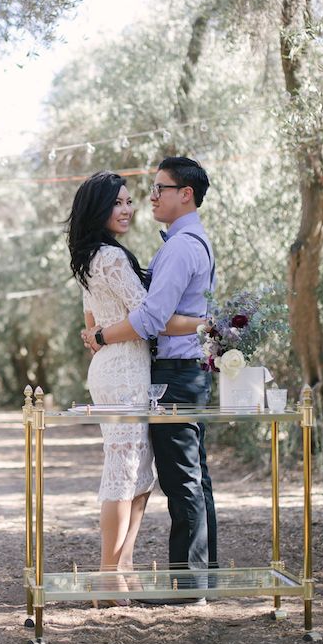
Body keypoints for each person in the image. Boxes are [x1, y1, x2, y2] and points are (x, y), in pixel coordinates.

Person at [82, 157, 218, 599]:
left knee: (179, 478)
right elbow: (146, 316)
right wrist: (206, 323)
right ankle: (139, 573)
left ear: (187, 194)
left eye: (158, 188)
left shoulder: (178, 246)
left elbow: (151, 317)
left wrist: (100, 332)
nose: (148, 199)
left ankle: (186, 583)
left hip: (169, 370)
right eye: (121, 201)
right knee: (164, 475)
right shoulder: (134, 252)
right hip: (139, 369)